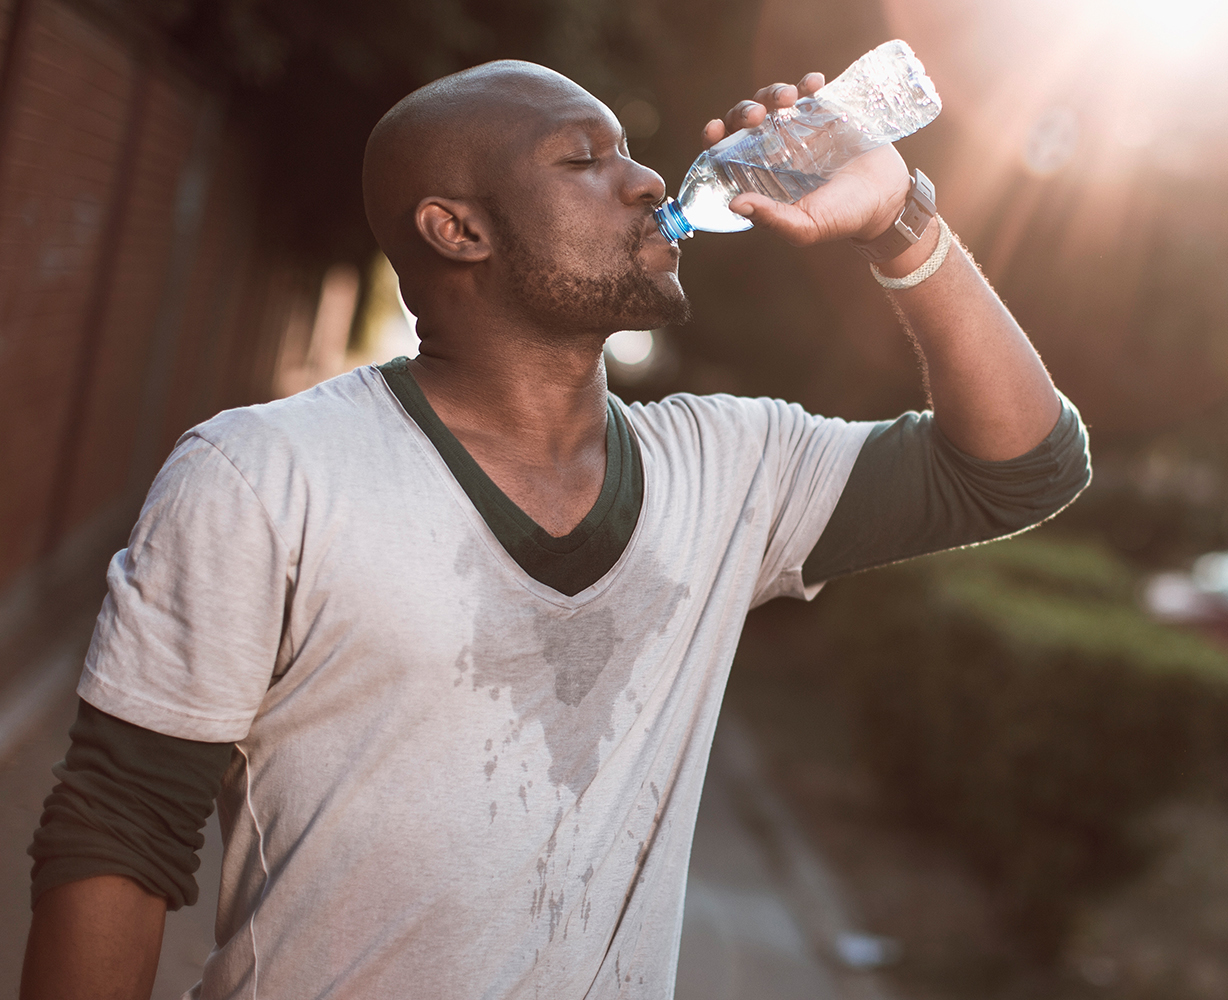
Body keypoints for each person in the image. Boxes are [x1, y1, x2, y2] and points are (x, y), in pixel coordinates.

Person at [21, 58, 1087, 999]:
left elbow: (1022, 468)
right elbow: (120, 829)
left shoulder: (731, 468)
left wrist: (901, 225)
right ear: (458, 227)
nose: (648, 181)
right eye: (583, 159)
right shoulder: (264, 475)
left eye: (631, 154)